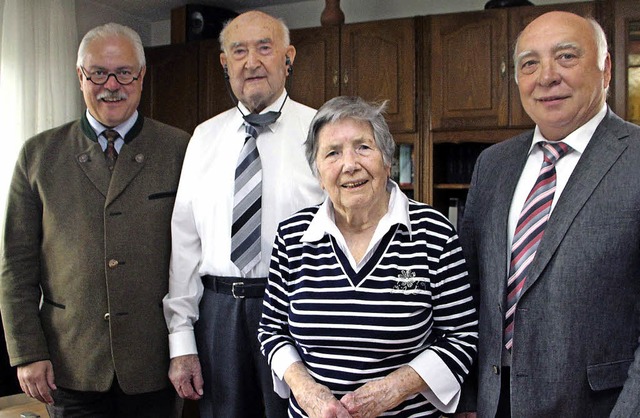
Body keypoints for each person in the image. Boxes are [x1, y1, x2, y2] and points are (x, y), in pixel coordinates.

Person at [455, 11, 640, 417]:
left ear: (605, 69)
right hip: (491, 403)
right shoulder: (493, 165)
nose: (546, 76)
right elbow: (467, 293)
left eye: (567, 57)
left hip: (598, 405)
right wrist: (466, 397)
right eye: (529, 64)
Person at [0, 23, 190, 417]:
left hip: (155, 361)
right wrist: (27, 352)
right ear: (80, 76)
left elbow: (196, 255)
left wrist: (189, 348)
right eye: (98, 73)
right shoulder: (38, 155)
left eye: (124, 72)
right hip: (71, 363)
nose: (111, 85)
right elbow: (15, 268)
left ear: (141, 76)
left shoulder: (180, 149)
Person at [258, 96, 479, 418]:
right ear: (318, 173)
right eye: (332, 153)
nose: (350, 165)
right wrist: (307, 391)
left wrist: (394, 389)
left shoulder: (434, 232)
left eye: (363, 147)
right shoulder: (293, 236)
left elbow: (461, 335)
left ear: (387, 161)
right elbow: (272, 330)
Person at [162, 10, 325, 418]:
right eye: (239, 51)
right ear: (224, 64)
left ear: (288, 58)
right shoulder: (203, 137)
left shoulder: (323, 131)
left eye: (264, 48)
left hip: (298, 309)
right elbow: (185, 244)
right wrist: (181, 343)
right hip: (218, 314)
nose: (251, 62)